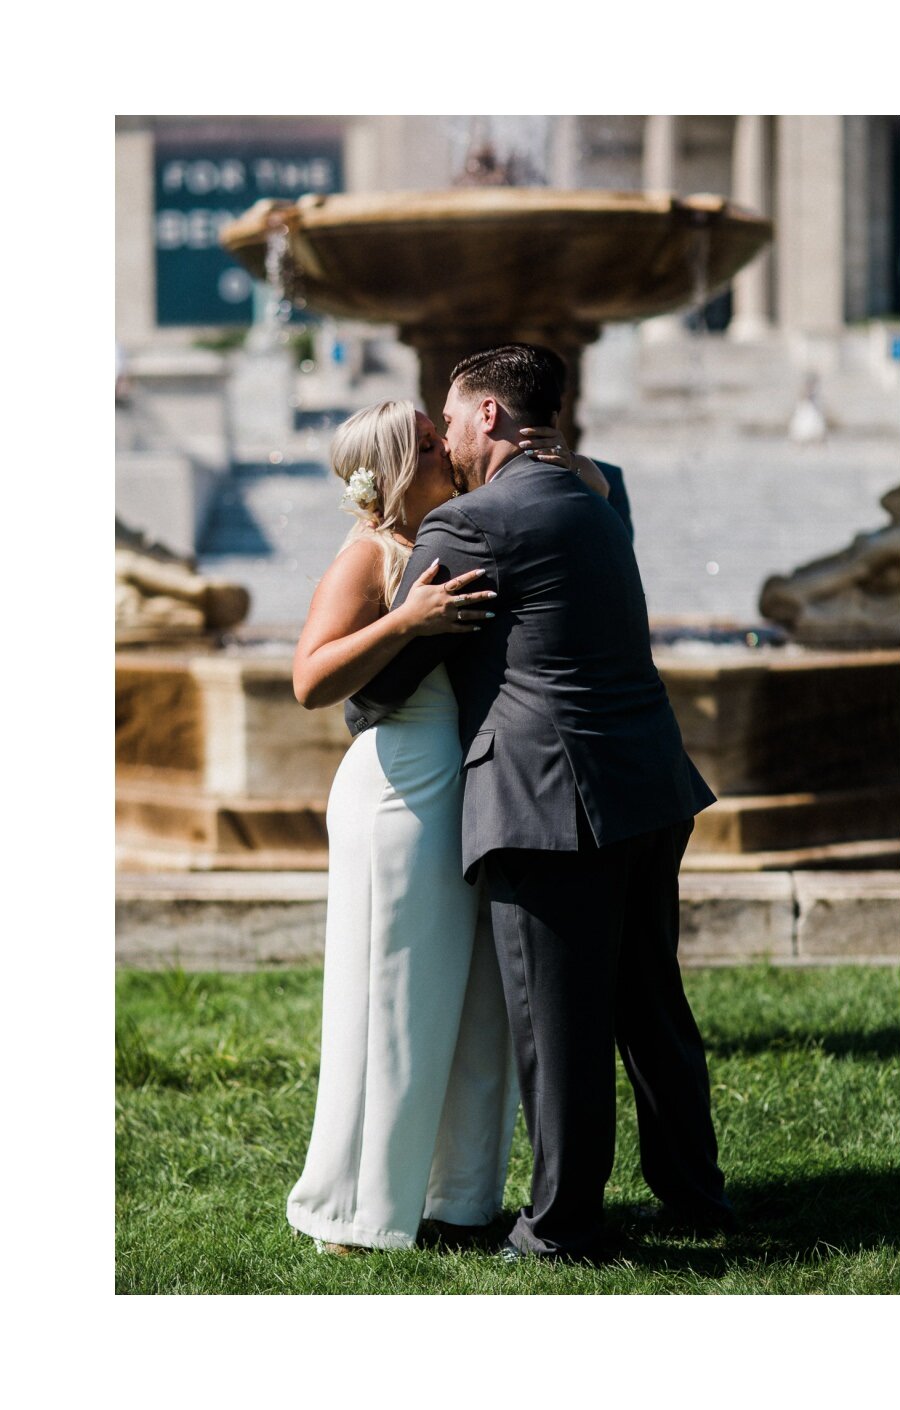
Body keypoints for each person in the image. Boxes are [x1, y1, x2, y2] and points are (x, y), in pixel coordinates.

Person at [348, 343, 731, 1261]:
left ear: (489, 415)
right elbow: (602, 485)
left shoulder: (468, 526)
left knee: (558, 1028)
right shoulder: (602, 497)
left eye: (451, 416)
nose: (443, 435)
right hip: (648, 782)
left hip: (549, 804)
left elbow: (379, 692)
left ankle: (561, 1226)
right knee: (652, 1011)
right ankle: (695, 1194)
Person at [285, 399, 557, 1252]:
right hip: (396, 792)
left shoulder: (458, 536)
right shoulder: (367, 557)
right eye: (437, 445)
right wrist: (406, 619)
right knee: (390, 999)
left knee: (475, 1000)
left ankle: (462, 1203)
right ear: (401, 464)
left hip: (470, 790)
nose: (454, 452)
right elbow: (310, 679)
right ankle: (356, 1212)